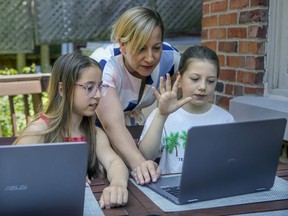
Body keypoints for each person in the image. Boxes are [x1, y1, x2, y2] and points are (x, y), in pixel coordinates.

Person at [14, 52, 129, 209]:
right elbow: (13, 175)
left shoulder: (94, 134)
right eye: (89, 87)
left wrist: (118, 184)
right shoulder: (39, 131)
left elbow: (114, 163)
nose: (98, 95)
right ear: (62, 89)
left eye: (100, 86)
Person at [90, 6, 181, 184]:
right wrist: (141, 164)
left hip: (132, 131)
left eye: (156, 47)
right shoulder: (105, 65)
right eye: (141, 49)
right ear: (122, 45)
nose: (150, 58)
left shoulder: (171, 59)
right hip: (94, 133)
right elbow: (112, 125)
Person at [138, 45, 235, 174]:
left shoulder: (226, 120)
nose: (202, 87)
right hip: (172, 189)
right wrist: (161, 116)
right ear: (179, 78)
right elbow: (145, 157)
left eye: (210, 81)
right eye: (195, 79)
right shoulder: (162, 115)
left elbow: (233, 162)